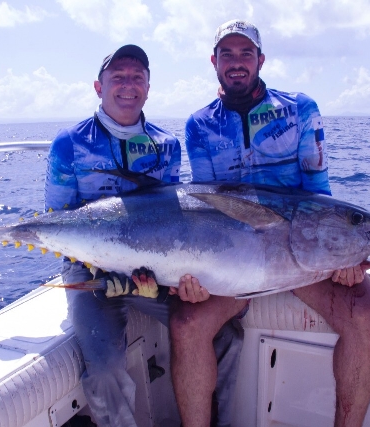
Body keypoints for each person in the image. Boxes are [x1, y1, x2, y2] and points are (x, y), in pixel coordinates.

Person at [169, 20, 370, 427]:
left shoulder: (299, 109)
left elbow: (318, 192)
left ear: (261, 60)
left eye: (246, 54)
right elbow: (208, 205)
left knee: (369, 319)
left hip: (301, 252)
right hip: (236, 261)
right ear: (214, 62)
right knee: (185, 323)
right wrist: (193, 273)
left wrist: (342, 253)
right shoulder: (199, 125)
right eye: (228, 55)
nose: (237, 63)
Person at [44, 44, 242, 427]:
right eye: (117, 77)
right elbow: (58, 219)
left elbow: (169, 217)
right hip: (89, 272)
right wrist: (101, 264)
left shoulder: (165, 145)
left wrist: (166, 275)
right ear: (98, 87)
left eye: (137, 77)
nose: (128, 85)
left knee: (225, 332)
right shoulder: (68, 143)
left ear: (148, 87)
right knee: (104, 369)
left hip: (153, 271)